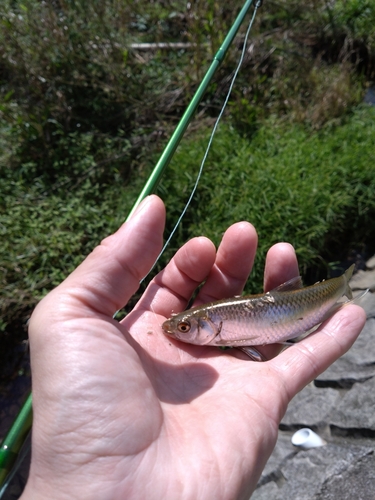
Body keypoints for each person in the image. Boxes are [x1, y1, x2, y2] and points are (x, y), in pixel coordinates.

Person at [20, 195, 366, 500]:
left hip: (307, 300)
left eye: (184, 327)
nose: (177, 331)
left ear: (209, 326)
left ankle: (342, 286)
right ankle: (343, 285)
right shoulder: (215, 322)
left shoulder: (223, 320)